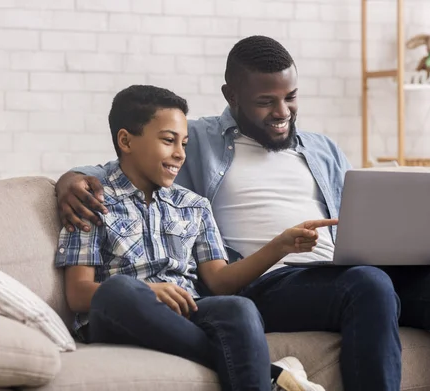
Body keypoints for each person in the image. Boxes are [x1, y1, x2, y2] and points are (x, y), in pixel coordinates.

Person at [55, 36, 430, 391]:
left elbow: (360, 218)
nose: (282, 111)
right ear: (231, 95)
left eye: (290, 97)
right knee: (367, 284)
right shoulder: (198, 139)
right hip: (267, 280)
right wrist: (70, 179)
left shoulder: (323, 149)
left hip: (336, 271)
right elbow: (123, 166)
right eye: (265, 101)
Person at [54, 84, 330, 391]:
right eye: (168, 140)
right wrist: (150, 292)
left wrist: (280, 245)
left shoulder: (194, 206)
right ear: (125, 140)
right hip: (119, 314)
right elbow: (78, 293)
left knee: (238, 309)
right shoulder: (90, 200)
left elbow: (221, 281)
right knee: (119, 290)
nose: (179, 154)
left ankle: (261, 376)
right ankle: (270, 373)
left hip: (186, 313)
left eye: (184, 143)